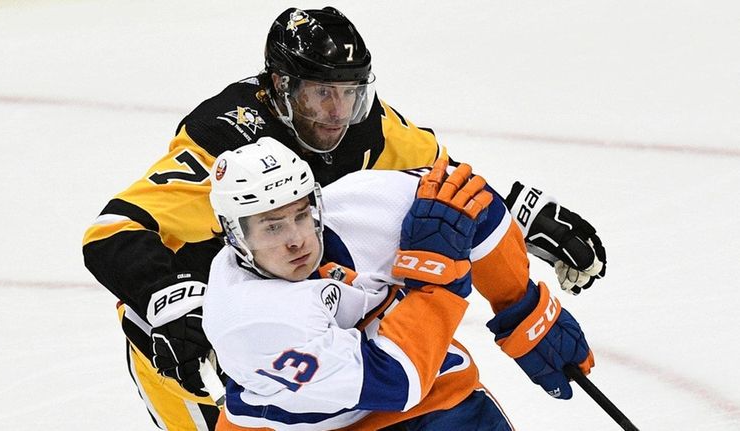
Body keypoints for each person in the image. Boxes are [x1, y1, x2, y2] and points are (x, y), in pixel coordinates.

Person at [82, 6, 605, 430]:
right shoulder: (227, 141)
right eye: (321, 94)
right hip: (204, 347)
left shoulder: (366, 126)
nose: (337, 113)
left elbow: (444, 189)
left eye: (350, 93)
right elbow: (113, 233)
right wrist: (175, 308)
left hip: (320, 328)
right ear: (281, 87)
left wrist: (522, 215)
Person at [201, 139, 594, 430]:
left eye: (301, 215)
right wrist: (437, 283)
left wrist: (519, 306)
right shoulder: (247, 319)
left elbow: (469, 198)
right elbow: (393, 380)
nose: (296, 239)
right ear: (234, 235)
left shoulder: (362, 205)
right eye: (272, 227)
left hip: (428, 400)